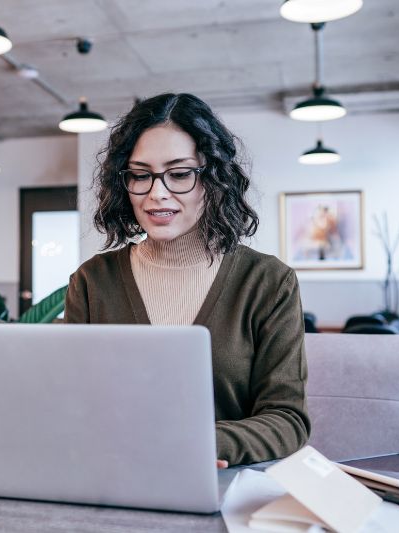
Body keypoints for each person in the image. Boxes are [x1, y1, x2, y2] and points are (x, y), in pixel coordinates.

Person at [65, 93, 310, 467]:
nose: (156, 194)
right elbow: (71, 402)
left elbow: (288, 419)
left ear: (214, 179)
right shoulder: (92, 281)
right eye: (140, 175)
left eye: (179, 174)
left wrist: (201, 443)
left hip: (223, 483)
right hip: (112, 476)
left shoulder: (268, 282)